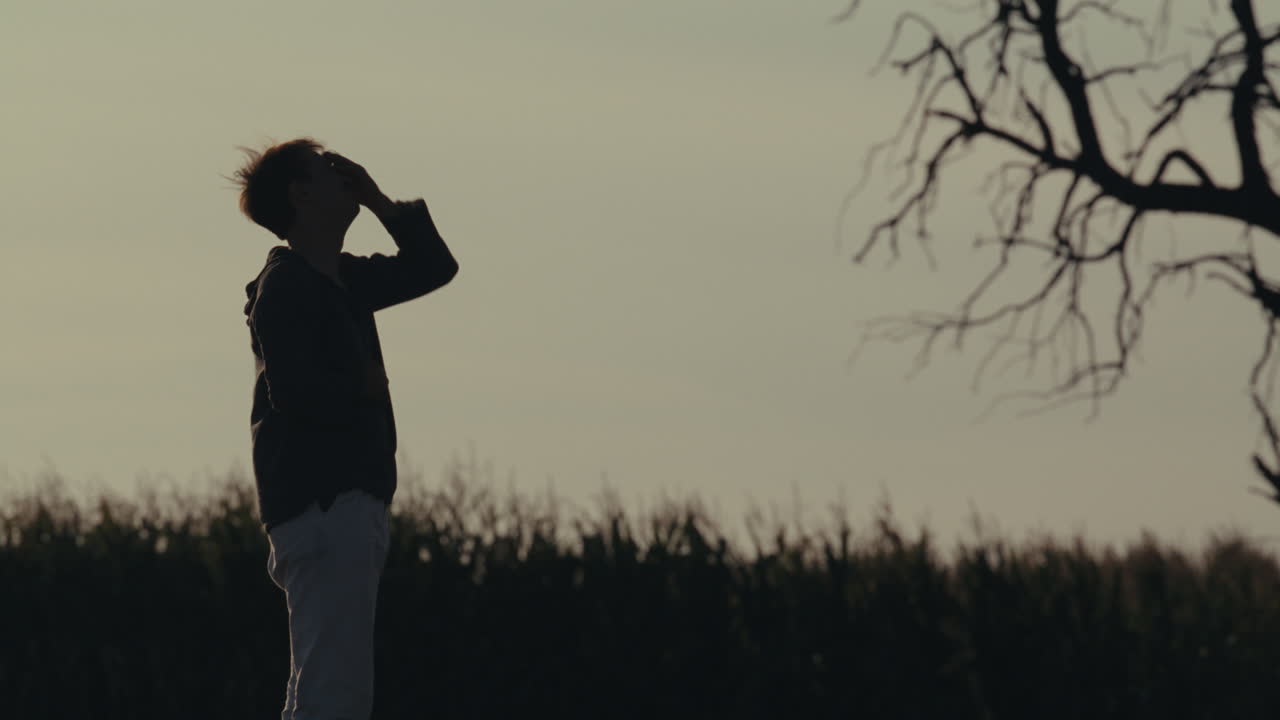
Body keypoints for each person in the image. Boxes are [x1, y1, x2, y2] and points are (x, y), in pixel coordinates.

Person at [234, 138, 458, 720]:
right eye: (328, 171)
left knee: (322, 682)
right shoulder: (286, 287)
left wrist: (382, 203)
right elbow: (296, 394)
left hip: (336, 505)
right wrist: (363, 386)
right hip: (326, 504)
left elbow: (435, 268)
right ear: (301, 194)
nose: (346, 178)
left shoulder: (340, 278)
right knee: (336, 690)